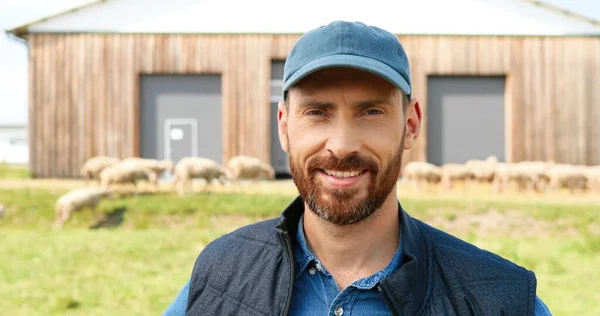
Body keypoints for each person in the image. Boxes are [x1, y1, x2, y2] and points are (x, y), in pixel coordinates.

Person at [164, 20, 552, 316]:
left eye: (371, 112)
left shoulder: (499, 299)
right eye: (317, 112)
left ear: (411, 125)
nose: (343, 145)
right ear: (284, 127)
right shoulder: (218, 278)